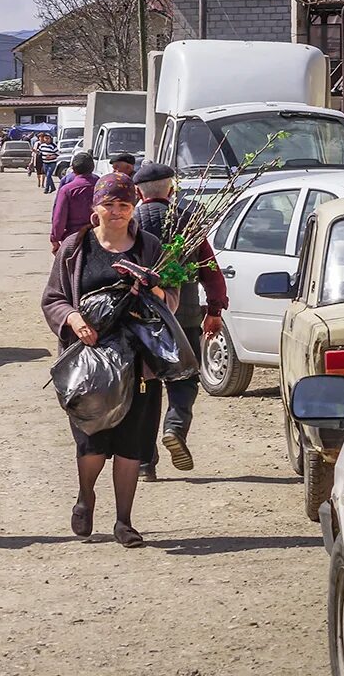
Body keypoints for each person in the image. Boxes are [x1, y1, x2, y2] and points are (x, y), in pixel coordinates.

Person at [41, 173, 178, 549]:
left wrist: (154, 287)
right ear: (94, 209)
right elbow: (53, 298)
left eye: (124, 205)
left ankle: (124, 522)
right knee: (93, 442)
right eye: (109, 205)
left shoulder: (150, 248)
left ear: (133, 207)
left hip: (140, 365)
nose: (116, 212)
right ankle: (86, 497)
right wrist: (73, 319)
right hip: (90, 363)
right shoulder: (74, 248)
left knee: (132, 444)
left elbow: (173, 300)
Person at [131, 163, 228, 480]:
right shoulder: (188, 222)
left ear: (137, 193)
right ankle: (174, 427)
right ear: (171, 190)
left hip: (139, 320)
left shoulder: (129, 225)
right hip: (183, 316)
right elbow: (211, 272)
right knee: (184, 377)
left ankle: (145, 462)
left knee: (144, 388)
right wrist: (214, 310)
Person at [50, 151, 97, 254]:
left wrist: (55, 238)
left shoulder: (67, 190)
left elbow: (59, 217)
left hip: (73, 238)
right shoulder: (101, 185)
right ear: (92, 168)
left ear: (73, 169)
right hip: (99, 236)